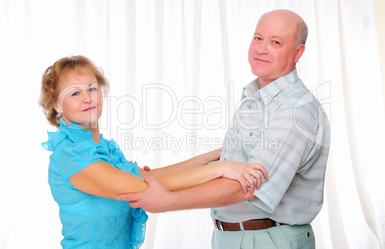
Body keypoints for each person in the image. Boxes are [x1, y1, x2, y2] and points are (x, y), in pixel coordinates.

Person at [118, 9, 331, 249]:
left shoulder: (295, 109)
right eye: (258, 38)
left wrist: (167, 200)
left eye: (275, 42)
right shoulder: (256, 99)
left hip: (267, 239)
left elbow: (247, 187)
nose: (261, 48)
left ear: (298, 52)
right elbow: (228, 168)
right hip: (235, 237)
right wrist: (157, 179)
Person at [39, 55, 268, 249]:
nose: (88, 98)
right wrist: (219, 169)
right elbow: (145, 188)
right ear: (57, 104)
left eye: (91, 89)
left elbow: (150, 176)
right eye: (75, 93)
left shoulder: (103, 149)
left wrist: (211, 157)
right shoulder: (71, 154)